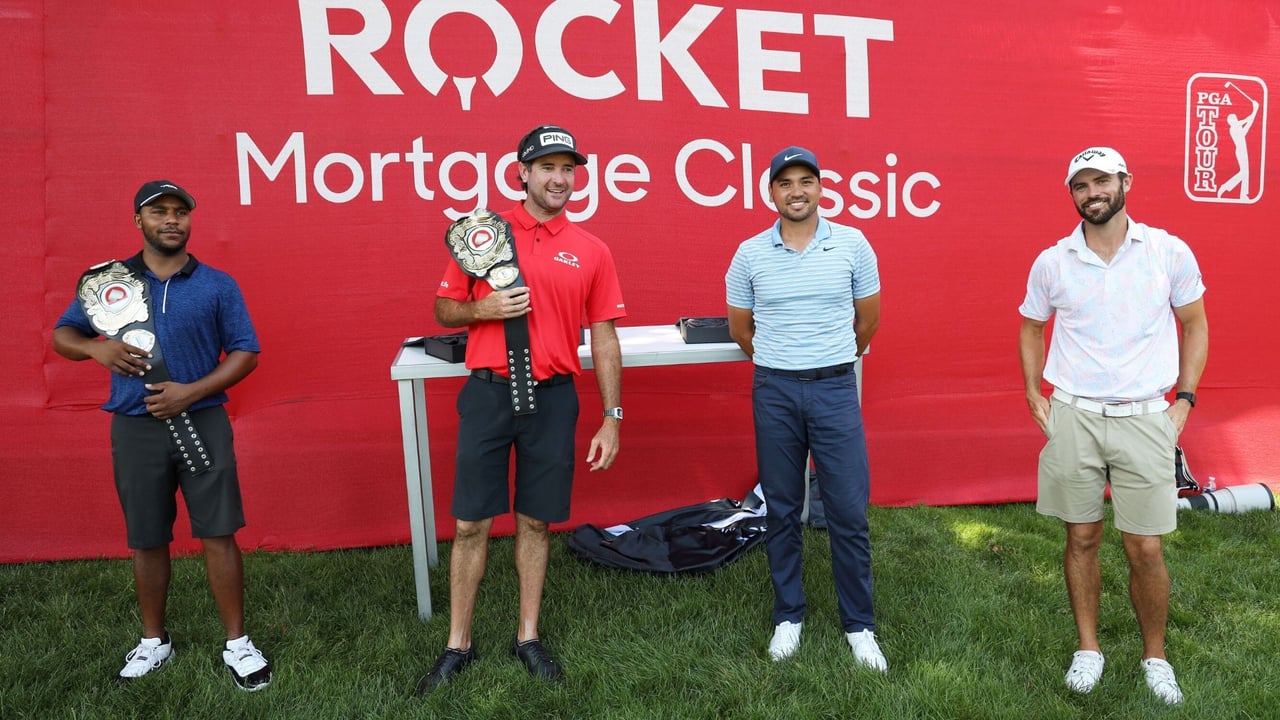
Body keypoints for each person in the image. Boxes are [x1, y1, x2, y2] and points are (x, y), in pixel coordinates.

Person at [416, 125, 626, 693]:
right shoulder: (483, 235)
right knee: (469, 524)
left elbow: (604, 337)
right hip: (488, 394)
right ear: (523, 174)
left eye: (568, 169)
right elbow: (442, 309)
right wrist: (481, 307)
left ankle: (527, 635)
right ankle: (457, 644)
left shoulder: (592, 250)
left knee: (536, 521)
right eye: (547, 168)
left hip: (554, 399)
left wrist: (612, 415)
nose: (559, 179)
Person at [52, 180, 271, 691]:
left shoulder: (217, 284)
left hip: (204, 420)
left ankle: (237, 643)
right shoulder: (109, 283)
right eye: (159, 212)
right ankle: (155, 641)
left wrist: (191, 391)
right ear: (139, 221)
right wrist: (96, 351)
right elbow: (63, 335)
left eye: (180, 212)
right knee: (147, 537)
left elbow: (246, 352)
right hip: (134, 426)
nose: (171, 220)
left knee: (218, 532)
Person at [1019, 147, 1208, 705]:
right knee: (1081, 536)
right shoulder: (1054, 261)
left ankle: (1155, 657)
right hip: (1074, 413)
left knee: (1145, 546)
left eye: (1101, 180)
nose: (1092, 193)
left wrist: (1185, 401)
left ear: (1126, 181)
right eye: (1081, 185)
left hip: (1146, 415)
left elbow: (1195, 325)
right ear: (1072, 195)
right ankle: (1088, 649)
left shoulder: (1167, 251)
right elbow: (1031, 326)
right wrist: (1034, 392)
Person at [725, 146, 886, 672]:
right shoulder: (749, 253)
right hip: (774, 390)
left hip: (835, 389)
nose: (797, 191)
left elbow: (868, 321)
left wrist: (825, 357)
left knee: (846, 510)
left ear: (820, 188)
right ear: (770, 192)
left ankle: (859, 625)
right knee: (783, 507)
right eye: (785, 182)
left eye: (806, 181)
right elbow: (740, 329)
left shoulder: (853, 245)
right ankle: (788, 615)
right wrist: (781, 360)